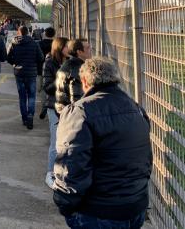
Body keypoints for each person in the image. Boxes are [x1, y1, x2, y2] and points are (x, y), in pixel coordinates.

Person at [53, 57, 152, 228]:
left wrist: (64, 203)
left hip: (99, 210)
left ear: (84, 81)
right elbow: (146, 158)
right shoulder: (135, 107)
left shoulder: (80, 111)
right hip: (135, 205)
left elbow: (72, 164)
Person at [41, 36, 69, 189]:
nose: (69, 49)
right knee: (55, 141)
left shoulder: (71, 61)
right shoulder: (50, 62)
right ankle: (50, 173)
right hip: (54, 106)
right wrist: (62, 78)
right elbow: (47, 87)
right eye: (66, 46)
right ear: (59, 47)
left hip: (69, 106)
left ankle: (63, 171)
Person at [7, 26, 44, 129]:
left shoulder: (14, 43)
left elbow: (8, 57)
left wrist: (15, 63)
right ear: (28, 32)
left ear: (19, 32)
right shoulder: (34, 43)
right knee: (32, 96)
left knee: (22, 97)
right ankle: (30, 116)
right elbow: (41, 58)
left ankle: (24, 119)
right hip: (31, 73)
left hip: (19, 73)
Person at [55, 39, 92, 115]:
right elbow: (76, 99)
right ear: (79, 52)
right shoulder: (77, 69)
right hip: (72, 114)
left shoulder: (68, 64)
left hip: (64, 110)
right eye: (87, 48)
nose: (90, 49)